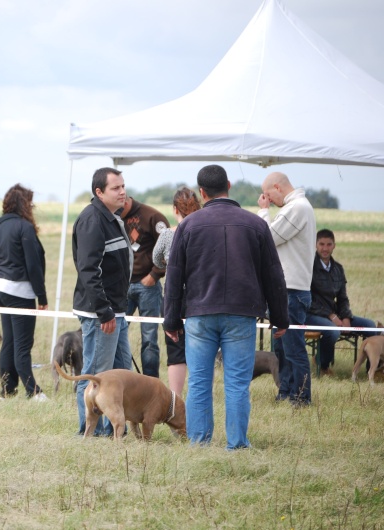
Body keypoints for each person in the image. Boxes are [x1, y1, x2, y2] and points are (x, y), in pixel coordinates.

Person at [164, 164, 289, 449]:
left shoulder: (188, 226)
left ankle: (199, 443)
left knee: (198, 383)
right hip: (242, 315)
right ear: (229, 185)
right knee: (236, 384)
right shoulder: (256, 225)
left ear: (202, 192)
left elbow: (174, 277)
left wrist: (170, 320)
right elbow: (274, 274)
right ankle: (237, 445)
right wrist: (281, 318)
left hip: (198, 315)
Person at [72, 167, 133, 436]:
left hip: (115, 309)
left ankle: (113, 430)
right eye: (115, 188)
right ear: (99, 192)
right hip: (101, 313)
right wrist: (104, 311)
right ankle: (90, 433)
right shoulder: (92, 220)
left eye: (123, 186)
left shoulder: (110, 217)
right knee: (96, 375)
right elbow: (88, 270)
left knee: (120, 374)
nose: (122, 192)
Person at [257, 171, 316, 406]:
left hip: (292, 290)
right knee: (282, 348)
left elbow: (267, 237)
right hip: (285, 289)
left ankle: (301, 398)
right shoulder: (297, 207)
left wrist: (263, 212)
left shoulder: (297, 207)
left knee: (293, 349)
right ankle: (286, 392)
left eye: (268, 194)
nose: (268, 199)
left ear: (278, 187)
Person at [0, 184, 48, 400]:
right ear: (26, 204)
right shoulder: (24, 228)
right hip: (19, 291)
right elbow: (33, 266)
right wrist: (41, 296)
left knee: (9, 341)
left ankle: (7, 389)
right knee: (23, 344)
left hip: (0, 287)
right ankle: (33, 391)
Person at [306, 229, 382, 375]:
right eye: (321, 244)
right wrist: (331, 316)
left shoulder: (338, 269)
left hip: (335, 315)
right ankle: (323, 365)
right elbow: (309, 299)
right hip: (312, 314)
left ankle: (373, 370)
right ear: (315, 245)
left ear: (334, 245)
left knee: (370, 327)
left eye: (329, 244)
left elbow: (343, 298)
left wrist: (346, 317)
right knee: (333, 331)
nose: (325, 248)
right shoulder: (309, 267)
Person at [152, 186, 201, 397]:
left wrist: (167, 261)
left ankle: (175, 400)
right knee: (201, 350)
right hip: (200, 297)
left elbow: (156, 259)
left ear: (175, 210)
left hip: (173, 297)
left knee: (176, 352)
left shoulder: (167, 235)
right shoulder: (203, 231)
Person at [120, 193, 170, 378]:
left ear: (125, 200)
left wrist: (154, 274)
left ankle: (150, 383)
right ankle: (122, 379)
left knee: (149, 339)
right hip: (122, 286)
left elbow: (168, 247)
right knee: (115, 334)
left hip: (147, 286)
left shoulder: (152, 217)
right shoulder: (114, 216)